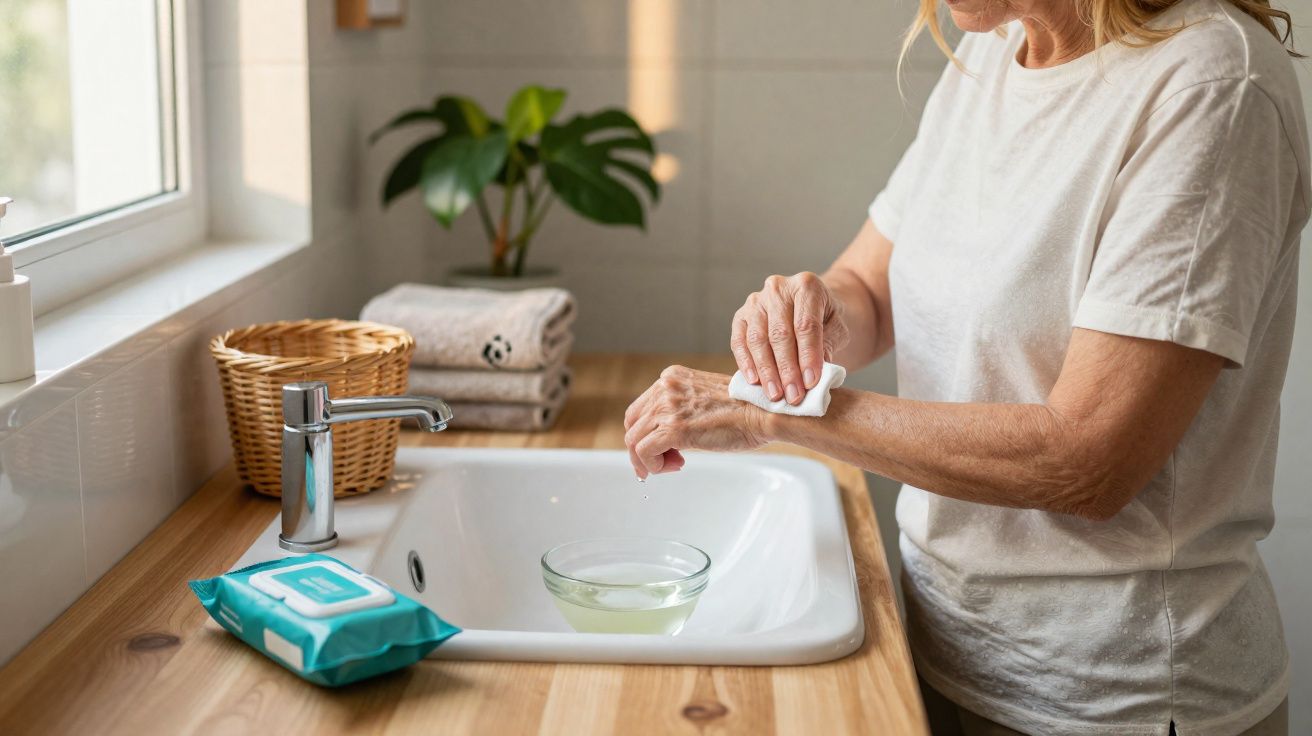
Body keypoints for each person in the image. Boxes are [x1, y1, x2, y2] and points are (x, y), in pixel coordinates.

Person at [622, 0, 1307, 732]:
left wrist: (771, 412)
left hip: (1110, 700)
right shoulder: (994, 52)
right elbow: (870, 295)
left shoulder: (1211, 88)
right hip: (938, 647)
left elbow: (1090, 462)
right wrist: (806, 318)